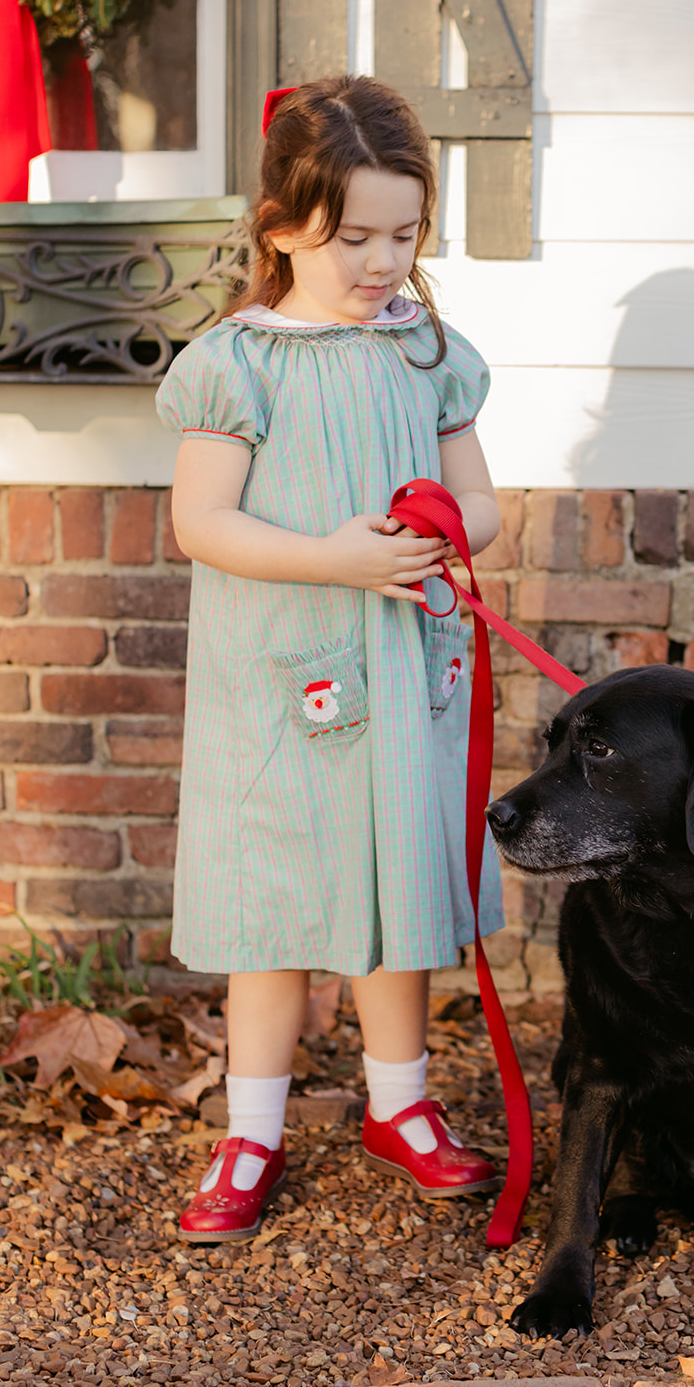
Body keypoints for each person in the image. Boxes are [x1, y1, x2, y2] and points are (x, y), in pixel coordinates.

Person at [155, 75, 505, 1243]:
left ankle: (398, 1105)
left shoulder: (427, 353)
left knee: (395, 881)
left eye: (402, 235)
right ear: (279, 228)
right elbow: (202, 523)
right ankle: (253, 1126)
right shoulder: (237, 362)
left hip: (404, 665)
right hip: (282, 671)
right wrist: (332, 559)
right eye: (351, 236)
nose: (380, 262)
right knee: (277, 895)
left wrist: (439, 533)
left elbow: (483, 504)